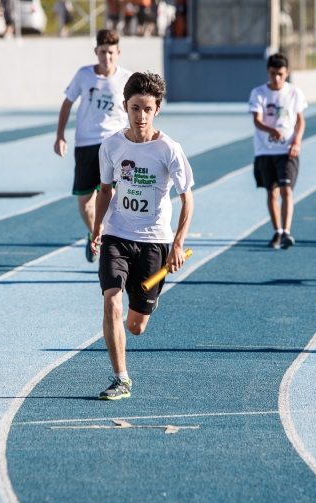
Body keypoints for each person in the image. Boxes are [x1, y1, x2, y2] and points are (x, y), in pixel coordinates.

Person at [90, 72, 194, 400]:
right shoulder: (111, 146)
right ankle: (121, 378)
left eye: (147, 109)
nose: (140, 116)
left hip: (154, 242)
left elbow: (187, 199)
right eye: (135, 108)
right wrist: (97, 227)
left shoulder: (169, 150)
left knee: (136, 326)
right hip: (117, 236)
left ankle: (149, 295)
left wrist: (177, 244)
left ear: (157, 110)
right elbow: (105, 190)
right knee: (111, 299)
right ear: (125, 106)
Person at [54, 29, 132, 263]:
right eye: (102, 52)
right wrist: (60, 136)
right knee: (84, 202)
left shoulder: (127, 78)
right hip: (86, 144)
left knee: (115, 197)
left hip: (115, 144)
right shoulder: (84, 75)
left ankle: (112, 239)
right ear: (95, 51)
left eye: (110, 52)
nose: (106, 57)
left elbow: (135, 110)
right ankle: (94, 232)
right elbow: (67, 104)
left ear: (117, 52)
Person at [248, 53, 307, 249]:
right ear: (268, 72)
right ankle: (277, 232)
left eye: (281, 74)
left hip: (287, 151)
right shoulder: (258, 92)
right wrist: (271, 129)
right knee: (272, 193)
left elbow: (300, 120)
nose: (277, 78)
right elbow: (257, 120)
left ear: (287, 73)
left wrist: (297, 141)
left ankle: (287, 232)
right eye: (273, 74)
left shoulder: (295, 93)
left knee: (286, 190)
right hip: (265, 151)